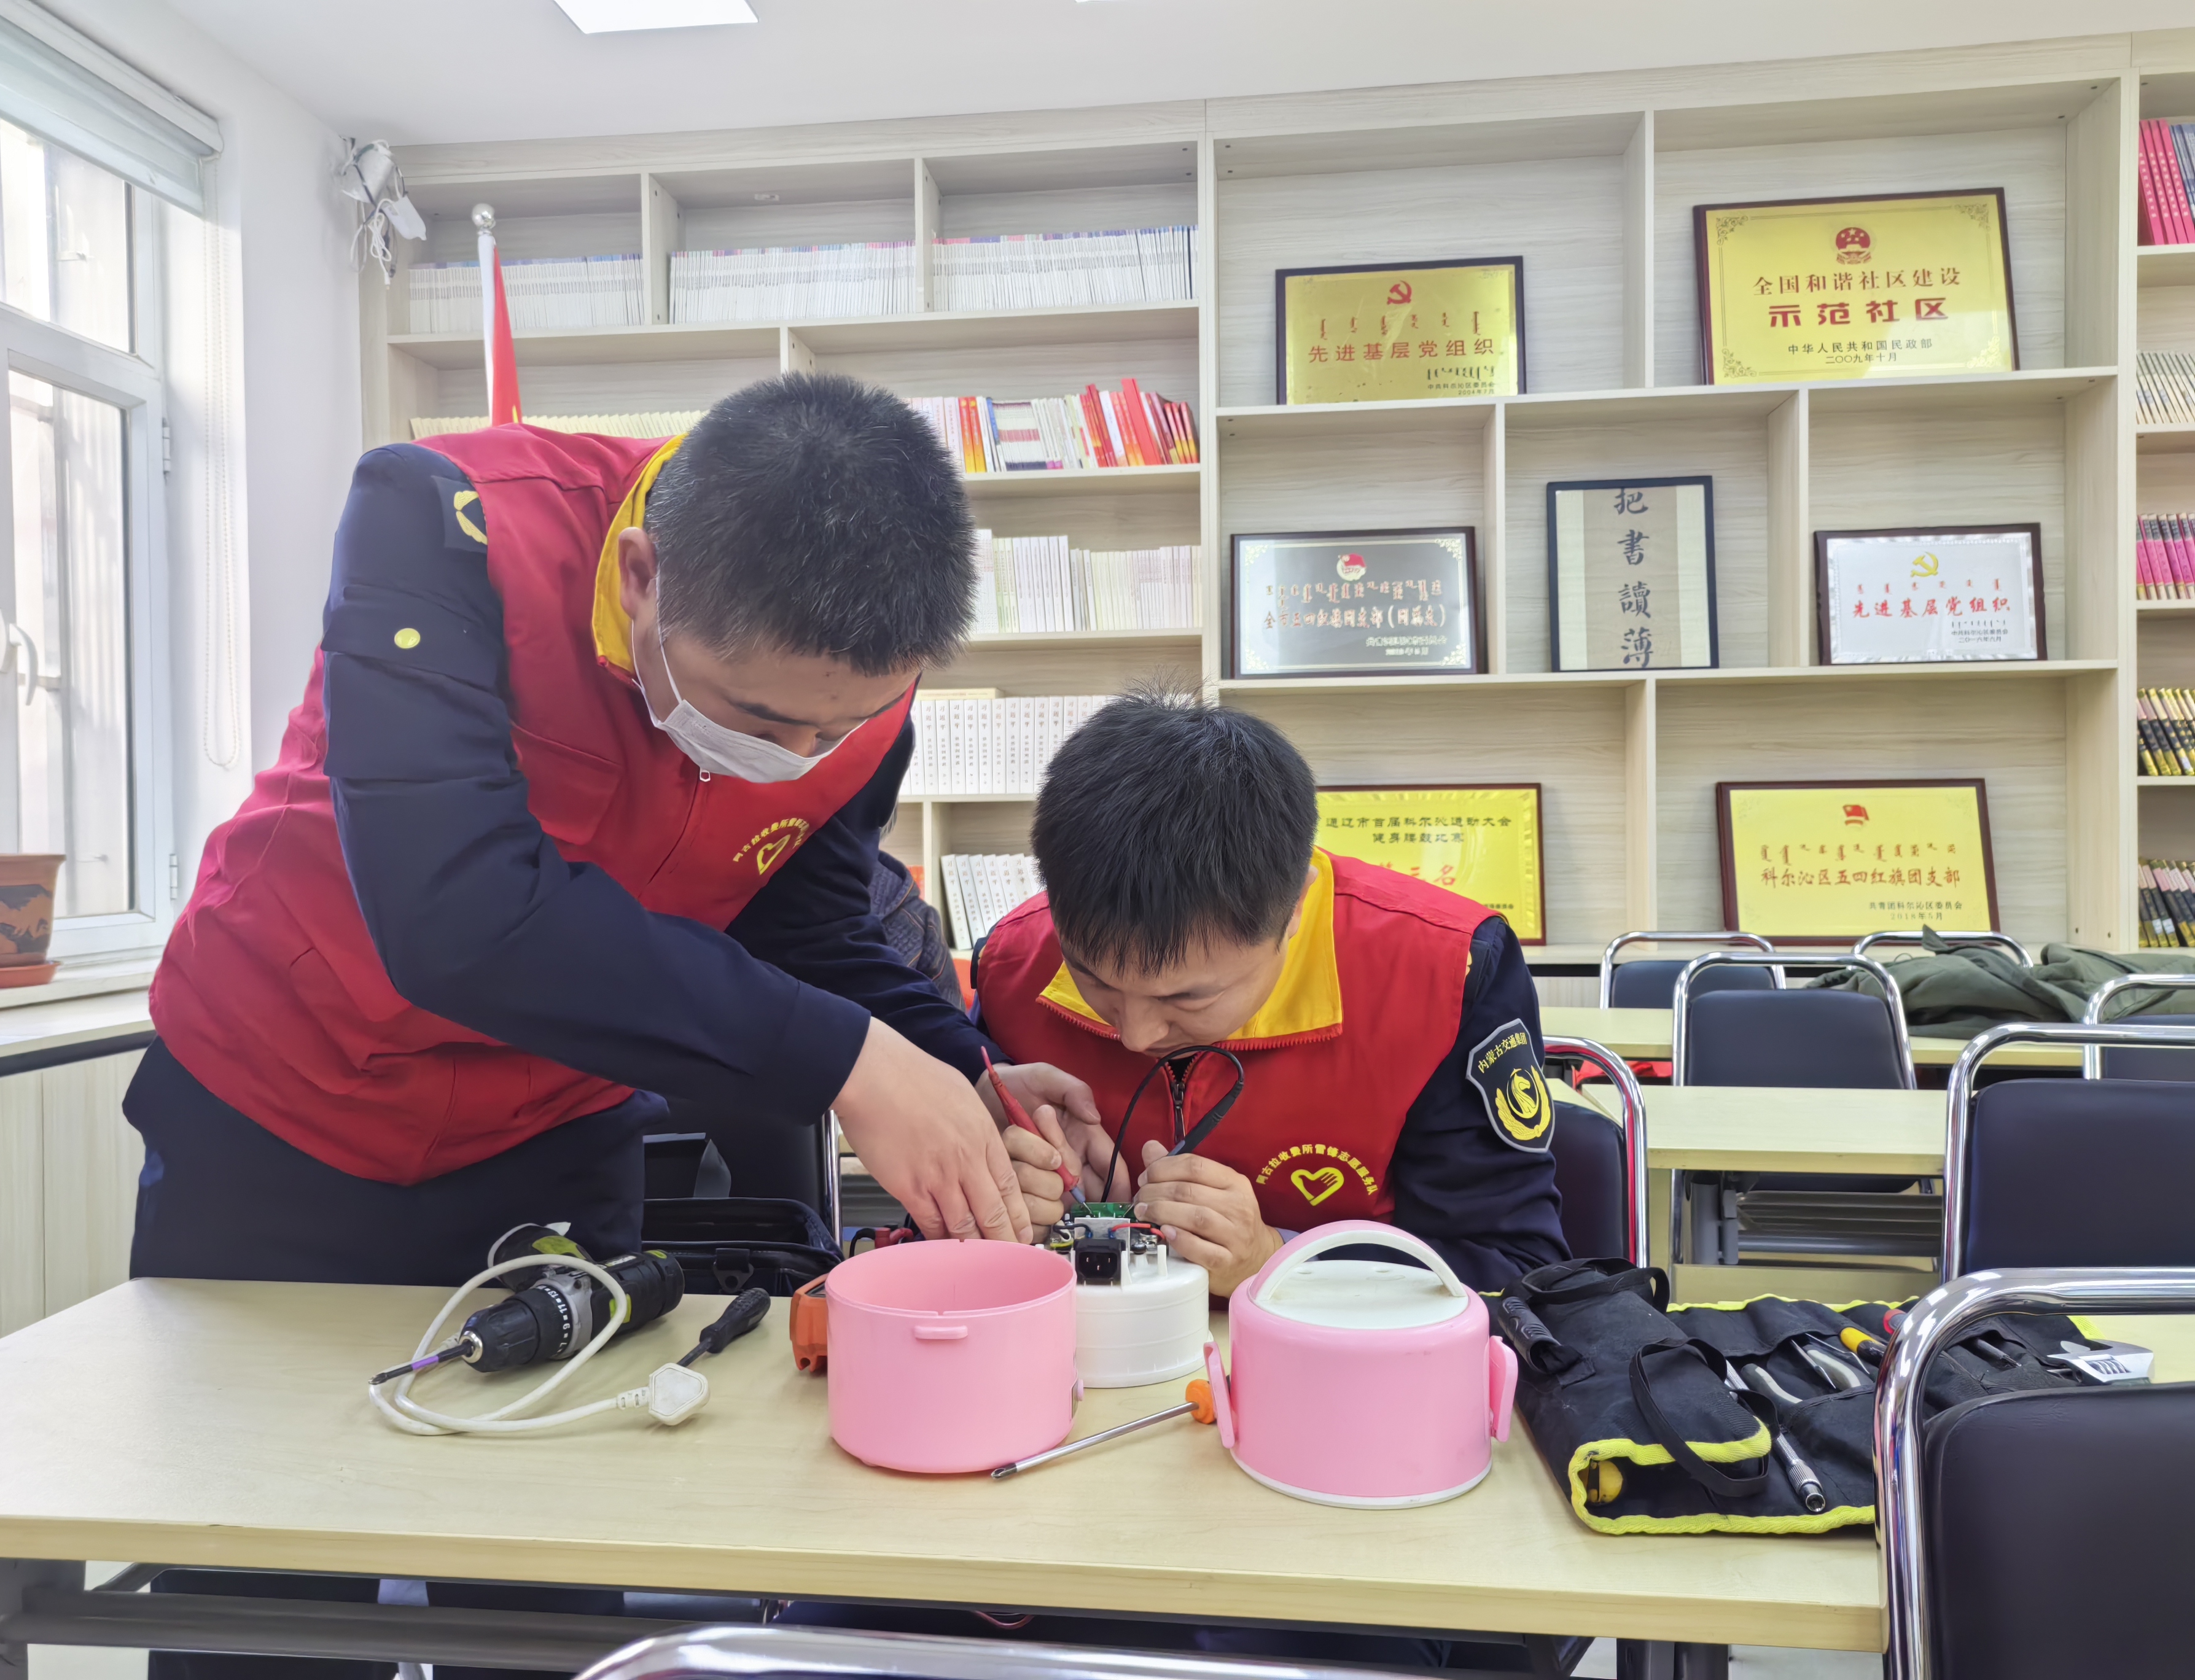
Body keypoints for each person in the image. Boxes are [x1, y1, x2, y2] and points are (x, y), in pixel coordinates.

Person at [128, 373, 1095, 1680]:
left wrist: (960, 1071)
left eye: (839, 727)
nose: (800, 751)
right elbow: (456, 914)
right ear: (642, 577)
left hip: (548, 1134)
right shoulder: (448, 523)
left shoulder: (862, 685)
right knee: (262, 1573)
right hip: (283, 1113)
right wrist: (848, 1064)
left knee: (549, 1563)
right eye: (761, 720)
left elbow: (806, 919)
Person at [977, 690, 1569, 1296]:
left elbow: (1516, 1269)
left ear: (1295, 911)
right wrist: (1003, 1206)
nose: (1135, 1035)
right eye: (1095, 980)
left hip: (1332, 1349)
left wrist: (1279, 1261)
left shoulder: (1445, 971)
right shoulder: (1012, 962)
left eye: (1188, 999)